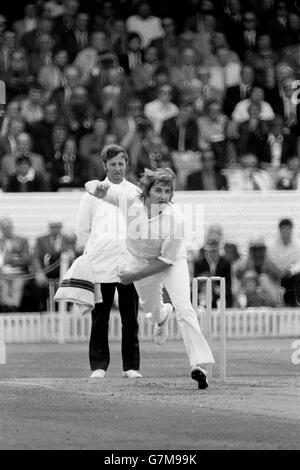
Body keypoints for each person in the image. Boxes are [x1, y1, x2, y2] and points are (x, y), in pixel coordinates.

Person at [86, 166, 215, 389]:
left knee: (184, 308)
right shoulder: (129, 200)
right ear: (146, 190)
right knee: (152, 309)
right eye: (159, 190)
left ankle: (199, 365)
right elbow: (93, 189)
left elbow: (165, 262)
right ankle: (162, 316)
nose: (163, 196)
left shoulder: (176, 220)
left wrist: (133, 276)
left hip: (172, 262)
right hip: (139, 259)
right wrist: (98, 186)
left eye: (168, 191)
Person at [77, 144, 141, 379]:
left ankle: (131, 366)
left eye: (120, 164)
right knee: (100, 318)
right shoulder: (92, 194)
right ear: (104, 165)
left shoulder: (136, 193)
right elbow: (82, 229)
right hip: (100, 264)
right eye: (112, 164)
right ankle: (98, 366)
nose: (117, 168)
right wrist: (91, 254)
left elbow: (141, 227)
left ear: (126, 164)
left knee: (130, 319)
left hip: (128, 264)